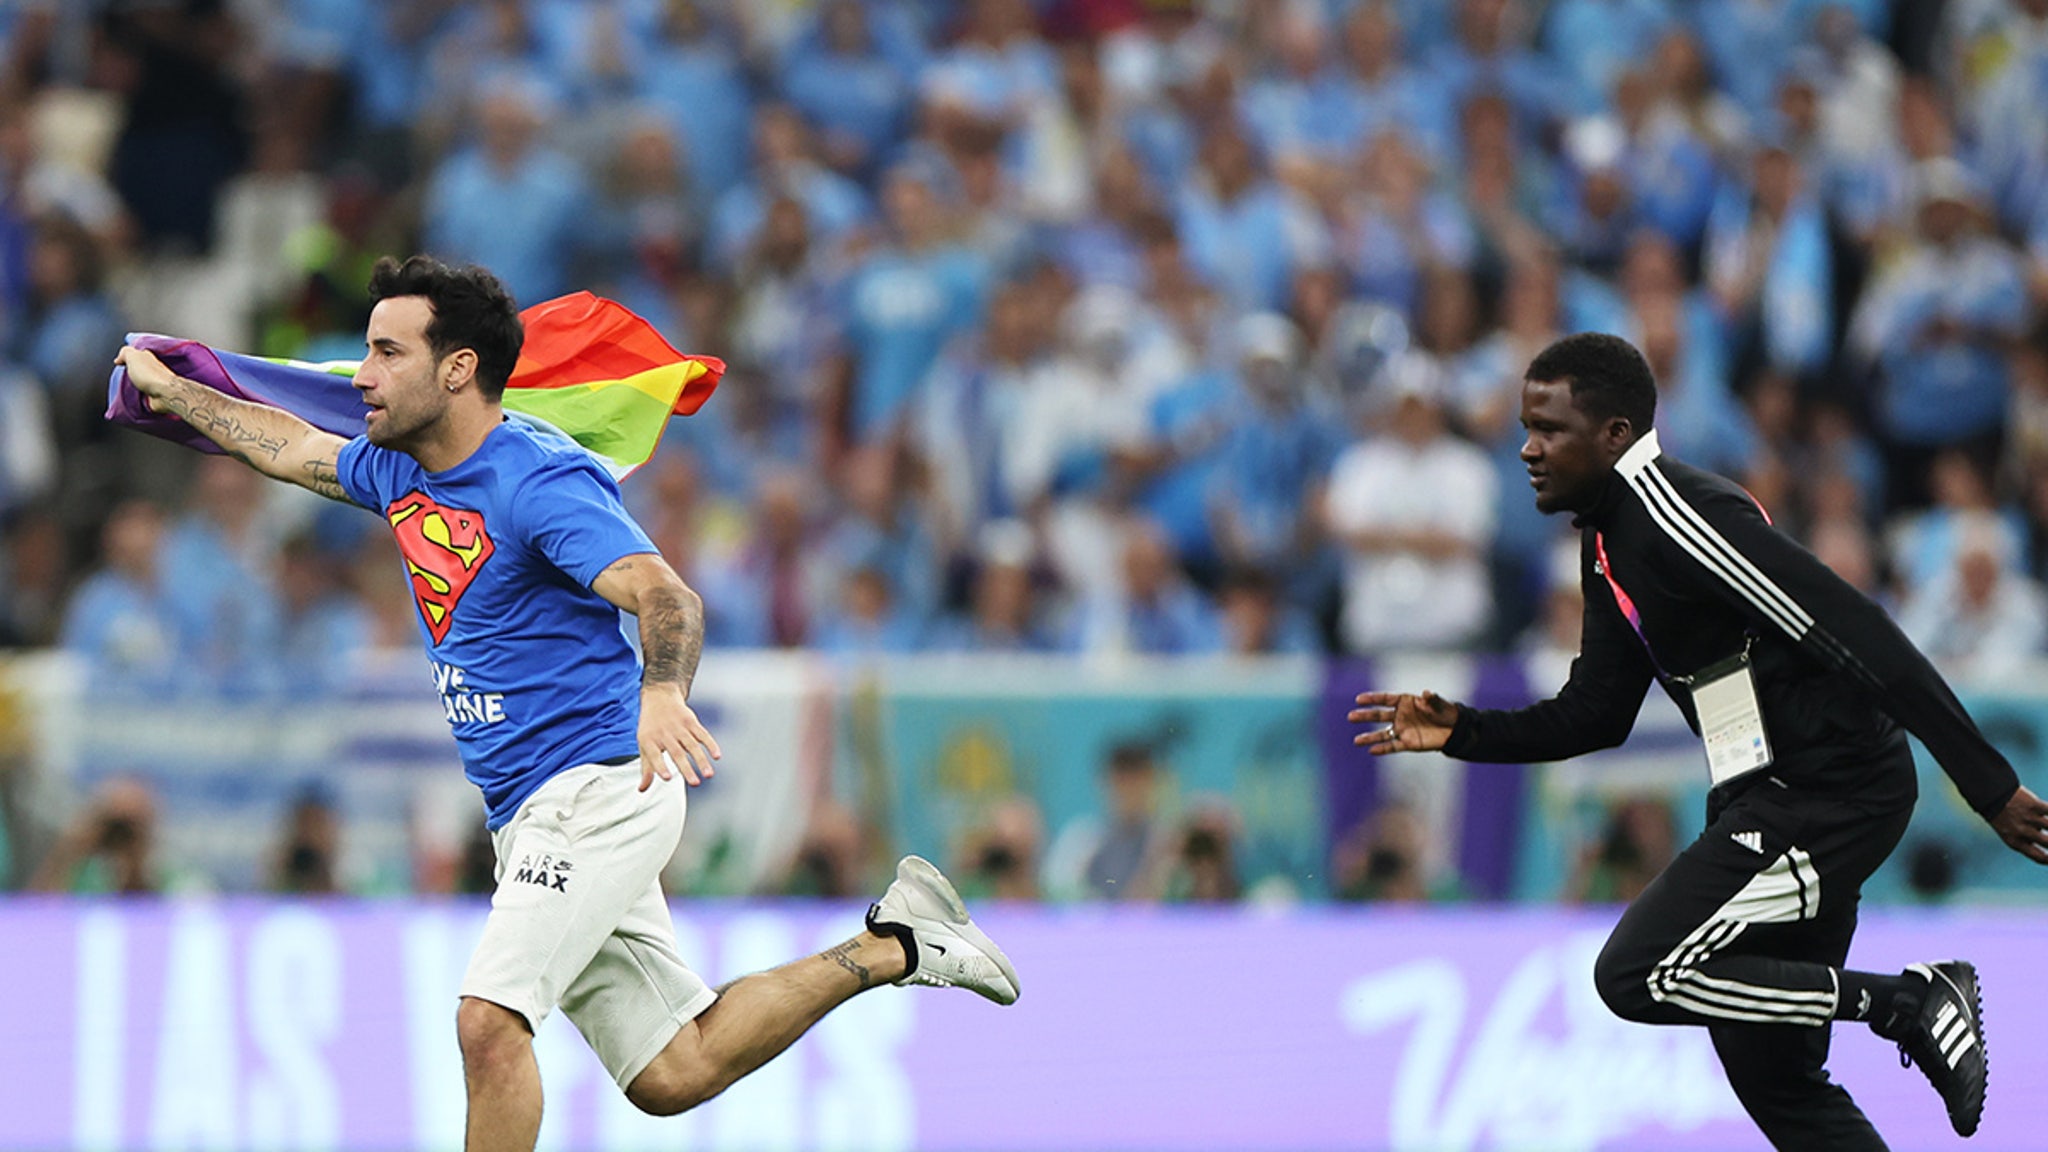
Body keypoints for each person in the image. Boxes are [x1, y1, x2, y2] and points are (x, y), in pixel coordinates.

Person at [111, 255, 1019, 1152]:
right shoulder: (400, 468)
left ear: (457, 368)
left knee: (486, 1023)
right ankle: (898, 942)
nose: (365, 378)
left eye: (387, 354)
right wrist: (173, 391)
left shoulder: (540, 480)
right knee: (674, 1069)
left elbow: (669, 595)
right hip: (527, 812)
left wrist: (662, 692)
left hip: (595, 788)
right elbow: (289, 446)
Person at [1348, 332, 2048, 1148]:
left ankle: (1908, 1002)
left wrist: (1988, 785)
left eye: (1549, 429)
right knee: (1781, 1084)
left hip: (1831, 789)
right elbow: (1596, 715)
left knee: (1637, 971)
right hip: (1774, 793)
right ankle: (1900, 1004)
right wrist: (1462, 730)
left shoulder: (1680, 516)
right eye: (1526, 427)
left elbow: (1859, 631)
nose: (1527, 449)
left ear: (1615, 435)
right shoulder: (1609, 535)